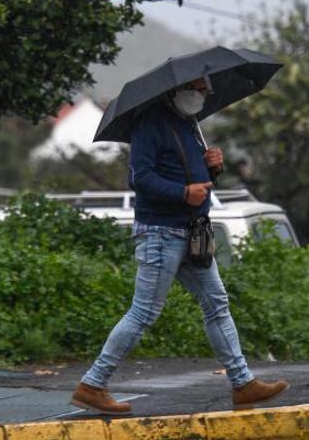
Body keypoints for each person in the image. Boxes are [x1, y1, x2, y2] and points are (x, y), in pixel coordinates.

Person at [71, 78, 289, 415]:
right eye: (197, 89)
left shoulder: (189, 124)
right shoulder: (150, 123)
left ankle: (243, 383)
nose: (202, 95)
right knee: (144, 312)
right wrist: (183, 193)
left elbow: (190, 175)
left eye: (205, 90)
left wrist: (213, 168)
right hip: (161, 233)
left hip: (191, 233)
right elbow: (140, 177)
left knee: (216, 304)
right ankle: (92, 385)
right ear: (177, 89)